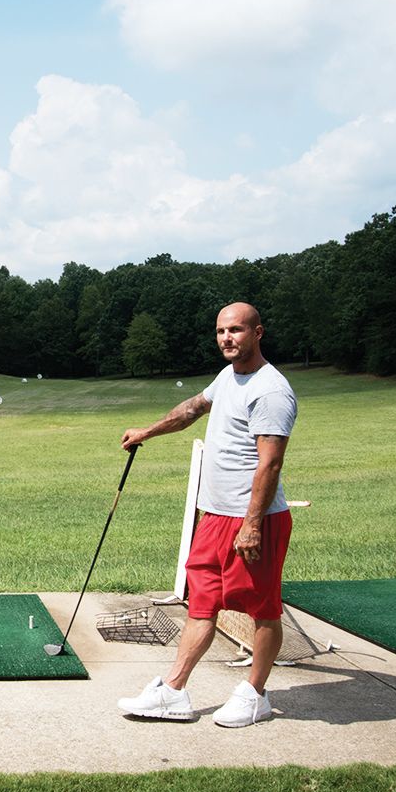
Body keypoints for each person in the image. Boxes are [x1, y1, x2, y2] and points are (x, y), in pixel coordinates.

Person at [116, 302, 297, 727]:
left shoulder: (270, 391)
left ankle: (255, 694)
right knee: (202, 603)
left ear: (258, 333)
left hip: (255, 520)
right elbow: (191, 410)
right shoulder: (228, 377)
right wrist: (147, 431)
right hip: (214, 517)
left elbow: (269, 464)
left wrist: (252, 526)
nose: (226, 338)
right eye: (220, 331)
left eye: (235, 330)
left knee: (263, 609)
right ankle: (174, 691)